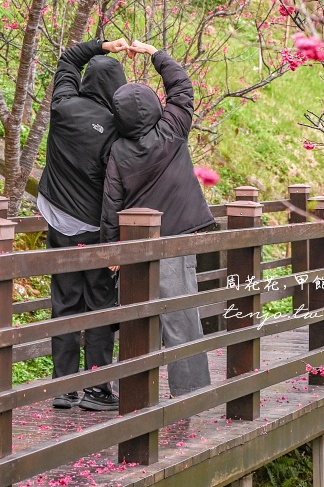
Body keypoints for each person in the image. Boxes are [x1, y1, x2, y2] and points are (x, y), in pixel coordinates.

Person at [100, 41, 215, 397]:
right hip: (177, 238)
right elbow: (181, 88)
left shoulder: (118, 151)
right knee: (181, 315)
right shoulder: (172, 131)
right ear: (153, 107)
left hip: (135, 244)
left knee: (136, 316)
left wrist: (111, 250)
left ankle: (131, 387)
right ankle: (190, 388)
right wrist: (155, 54)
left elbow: (111, 203)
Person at [38, 35, 128, 411]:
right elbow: (117, 187)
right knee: (100, 306)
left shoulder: (62, 105)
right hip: (95, 231)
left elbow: (67, 61)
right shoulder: (116, 128)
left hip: (57, 219)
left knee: (64, 302)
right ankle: (95, 388)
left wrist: (102, 45)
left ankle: (63, 386)